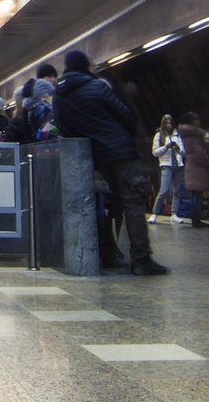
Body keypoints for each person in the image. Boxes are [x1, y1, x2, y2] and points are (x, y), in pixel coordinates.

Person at [54, 50, 164, 275]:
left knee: (99, 206)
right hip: (120, 153)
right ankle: (141, 259)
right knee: (133, 201)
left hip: (92, 159)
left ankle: (106, 254)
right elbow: (125, 115)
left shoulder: (59, 95)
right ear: (85, 66)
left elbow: (65, 128)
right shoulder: (97, 86)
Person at [175, 111, 209, 227]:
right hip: (197, 166)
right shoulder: (195, 135)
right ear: (192, 121)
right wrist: (208, 161)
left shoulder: (186, 134)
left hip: (191, 164)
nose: (198, 121)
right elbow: (199, 152)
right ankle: (196, 221)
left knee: (194, 194)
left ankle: (195, 220)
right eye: (196, 119)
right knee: (197, 195)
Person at [151, 114, 180, 221]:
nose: (169, 125)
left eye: (170, 122)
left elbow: (184, 152)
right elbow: (155, 152)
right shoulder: (159, 135)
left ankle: (174, 214)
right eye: (167, 123)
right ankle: (155, 214)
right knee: (164, 190)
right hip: (166, 165)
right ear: (163, 124)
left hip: (177, 165)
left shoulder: (177, 134)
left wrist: (177, 148)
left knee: (176, 191)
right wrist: (166, 147)